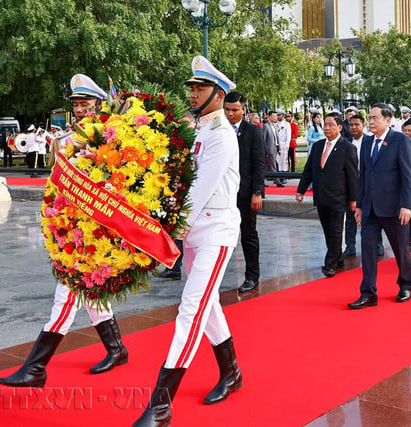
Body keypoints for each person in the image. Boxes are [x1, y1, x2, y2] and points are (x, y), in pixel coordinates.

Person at [0, 74, 128, 389]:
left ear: (99, 104)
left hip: (94, 231)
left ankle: (36, 367)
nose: (81, 109)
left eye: (86, 104)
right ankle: (116, 348)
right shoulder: (68, 139)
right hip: (71, 227)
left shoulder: (107, 139)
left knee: (67, 296)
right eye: (77, 104)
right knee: (91, 292)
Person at [134, 56, 243, 426]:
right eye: (192, 89)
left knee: (191, 308)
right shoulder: (200, 132)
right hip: (196, 231)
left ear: (218, 93)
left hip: (215, 232)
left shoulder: (223, 137)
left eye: (200, 89)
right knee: (206, 304)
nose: (194, 94)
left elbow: (199, 190)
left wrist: (169, 233)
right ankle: (232, 373)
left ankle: (160, 406)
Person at [349, 103, 411, 308]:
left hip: (394, 207)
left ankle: (406, 284)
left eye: (374, 118)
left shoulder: (400, 141)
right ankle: (368, 292)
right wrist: (359, 205)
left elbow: (408, 175)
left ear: (388, 120)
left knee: (400, 248)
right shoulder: (367, 143)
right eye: (369, 117)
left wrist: (406, 205)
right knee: (368, 250)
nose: (370, 121)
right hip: (369, 208)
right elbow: (363, 177)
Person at [296, 113, 358, 277]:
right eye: (326, 124)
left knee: (336, 230)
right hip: (321, 196)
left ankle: (329, 264)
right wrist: (301, 189)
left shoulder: (348, 148)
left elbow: (352, 176)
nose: (327, 128)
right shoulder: (317, 146)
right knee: (327, 230)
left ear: (339, 127)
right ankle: (337, 258)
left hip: (339, 196)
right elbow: (308, 169)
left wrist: (354, 199)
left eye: (331, 124)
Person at [224, 91, 266, 293]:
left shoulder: (253, 131)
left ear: (244, 110)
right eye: (227, 110)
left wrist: (257, 192)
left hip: (246, 192)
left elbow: (259, 164)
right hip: (222, 193)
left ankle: (252, 276)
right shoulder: (218, 130)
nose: (230, 114)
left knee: (248, 235)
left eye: (235, 110)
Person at [343, 113, 365, 258]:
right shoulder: (345, 143)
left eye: (357, 124)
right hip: (351, 186)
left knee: (370, 217)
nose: (354, 127)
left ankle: (377, 245)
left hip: (368, 185)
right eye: (351, 124)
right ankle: (350, 246)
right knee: (350, 218)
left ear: (364, 125)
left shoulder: (371, 141)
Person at [263, 110, 282, 186]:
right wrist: (265, 151)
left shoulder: (275, 126)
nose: (276, 118)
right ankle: (277, 181)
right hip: (269, 149)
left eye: (276, 116)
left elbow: (277, 138)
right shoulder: (266, 126)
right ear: (269, 117)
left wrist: (279, 148)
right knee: (273, 166)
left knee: (268, 166)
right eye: (274, 116)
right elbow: (263, 139)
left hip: (275, 148)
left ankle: (261, 181)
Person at [276, 110, 290, 181]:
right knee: (278, 160)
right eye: (277, 115)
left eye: (279, 115)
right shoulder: (276, 124)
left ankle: (284, 176)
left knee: (284, 160)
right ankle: (279, 175)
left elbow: (288, 136)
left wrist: (287, 145)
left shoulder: (286, 124)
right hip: (278, 144)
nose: (278, 116)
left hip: (284, 144)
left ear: (283, 115)